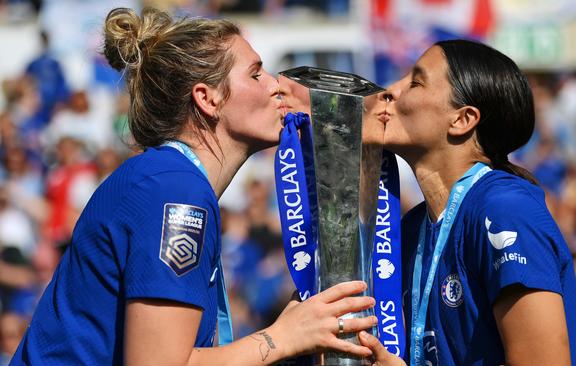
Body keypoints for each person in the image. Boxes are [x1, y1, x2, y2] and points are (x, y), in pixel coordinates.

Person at [10, 7, 377, 366]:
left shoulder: (165, 178)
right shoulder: (176, 191)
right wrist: (281, 338)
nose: (276, 85)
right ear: (207, 98)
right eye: (256, 74)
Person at [358, 40, 576, 365]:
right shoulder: (413, 228)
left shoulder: (504, 210)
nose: (391, 91)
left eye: (415, 81)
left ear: (462, 119)